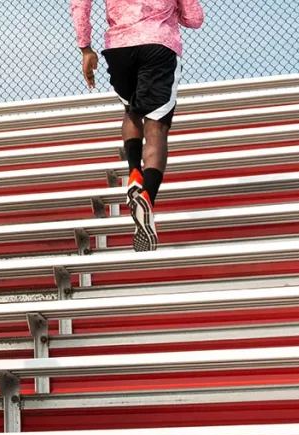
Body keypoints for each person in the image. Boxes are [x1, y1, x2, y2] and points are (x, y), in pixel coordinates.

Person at [71, 0, 204, 251]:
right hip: (158, 43)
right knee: (157, 127)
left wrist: (85, 47)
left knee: (131, 111)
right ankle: (147, 198)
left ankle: (134, 172)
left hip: (120, 48)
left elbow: (80, 4)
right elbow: (194, 18)